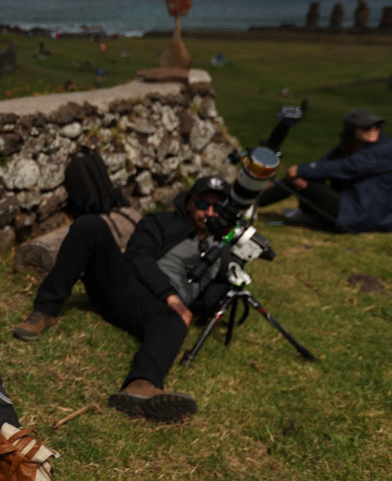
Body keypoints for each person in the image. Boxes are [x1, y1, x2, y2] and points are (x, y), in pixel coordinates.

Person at [12, 177, 233, 423]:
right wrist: (169, 296)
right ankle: (45, 311)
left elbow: (209, 301)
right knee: (90, 225)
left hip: (158, 314)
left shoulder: (223, 248)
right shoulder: (162, 222)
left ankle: (141, 386)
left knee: (176, 321)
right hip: (126, 287)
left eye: (217, 207)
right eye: (203, 203)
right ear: (190, 203)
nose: (209, 212)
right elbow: (139, 256)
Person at [258, 108, 392, 233]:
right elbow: (324, 165)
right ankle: (304, 212)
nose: (374, 129)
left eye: (377, 125)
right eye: (367, 127)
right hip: (353, 210)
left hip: (363, 217)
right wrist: (303, 174)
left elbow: (347, 167)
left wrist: (301, 170)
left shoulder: (384, 150)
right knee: (304, 177)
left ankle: (253, 204)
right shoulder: (349, 146)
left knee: (304, 176)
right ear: (353, 130)